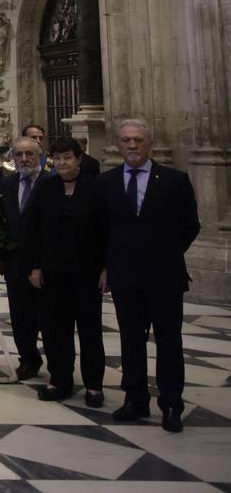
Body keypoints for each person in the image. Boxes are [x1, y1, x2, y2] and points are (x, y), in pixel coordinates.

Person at [99, 119, 200, 432]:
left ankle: (171, 403)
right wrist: (108, 266)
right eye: (127, 140)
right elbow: (101, 230)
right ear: (118, 144)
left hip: (165, 275)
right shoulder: (108, 182)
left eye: (138, 140)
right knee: (131, 340)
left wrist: (165, 253)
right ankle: (135, 398)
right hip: (125, 274)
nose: (132, 146)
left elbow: (190, 225)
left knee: (169, 341)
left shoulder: (174, 179)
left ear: (149, 143)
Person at [23, 137, 107, 406]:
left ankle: (94, 385)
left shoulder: (96, 189)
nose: (62, 163)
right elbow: (33, 229)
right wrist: (35, 266)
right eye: (57, 158)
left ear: (79, 159)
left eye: (67, 158)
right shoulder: (46, 188)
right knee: (54, 329)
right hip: (52, 270)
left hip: (87, 272)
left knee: (90, 329)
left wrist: (107, 267)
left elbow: (107, 231)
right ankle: (60, 379)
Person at [0, 135, 46, 380]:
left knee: (47, 317)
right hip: (15, 261)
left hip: (44, 262)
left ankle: (60, 367)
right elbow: (2, 221)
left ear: (40, 155)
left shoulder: (50, 183)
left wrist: (40, 264)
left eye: (29, 154)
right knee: (20, 316)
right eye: (19, 155)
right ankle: (28, 358)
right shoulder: (7, 184)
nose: (24, 159)